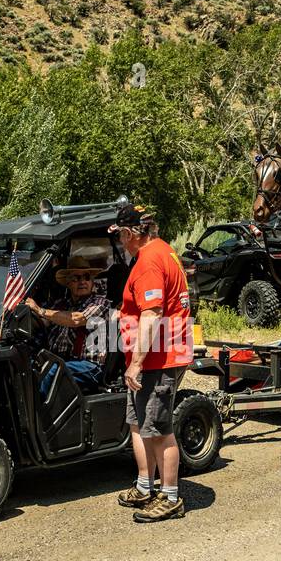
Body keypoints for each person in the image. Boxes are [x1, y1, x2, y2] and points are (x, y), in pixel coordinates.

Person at [112, 203, 193, 523]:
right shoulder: (162, 251)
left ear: (131, 233)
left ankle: (170, 497)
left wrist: (137, 363)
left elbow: (152, 314)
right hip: (152, 357)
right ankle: (145, 486)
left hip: (158, 359)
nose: (120, 241)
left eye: (120, 234)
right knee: (139, 423)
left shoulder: (149, 260)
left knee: (158, 429)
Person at [25, 256, 112, 391]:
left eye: (87, 277)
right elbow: (42, 322)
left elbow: (77, 319)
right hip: (59, 361)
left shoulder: (100, 303)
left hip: (89, 366)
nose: (83, 282)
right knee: (25, 365)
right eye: (76, 278)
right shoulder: (58, 304)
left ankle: (39, 411)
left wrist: (39, 310)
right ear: (68, 283)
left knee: (53, 372)